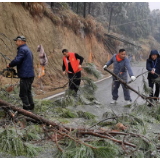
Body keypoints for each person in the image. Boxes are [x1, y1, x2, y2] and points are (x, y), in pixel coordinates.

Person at [7, 36, 35, 111]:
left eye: (17, 41)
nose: (16, 43)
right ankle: (31, 107)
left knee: (22, 94)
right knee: (28, 91)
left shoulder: (22, 49)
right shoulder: (28, 49)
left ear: (21, 41)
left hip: (25, 75)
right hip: (30, 74)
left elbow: (17, 60)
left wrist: (10, 65)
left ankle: (26, 111)